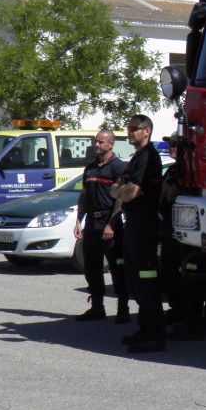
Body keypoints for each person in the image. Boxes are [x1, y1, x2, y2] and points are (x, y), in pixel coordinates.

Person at [114, 114, 165, 353]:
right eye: (128, 128)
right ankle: (144, 329)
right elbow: (116, 188)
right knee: (135, 278)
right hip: (133, 222)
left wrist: (120, 190)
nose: (129, 132)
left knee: (147, 279)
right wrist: (120, 190)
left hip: (145, 224)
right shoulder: (136, 158)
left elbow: (129, 192)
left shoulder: (148, 157)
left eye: (134, 128)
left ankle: (155, 335)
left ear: (147, 131)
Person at [73, 130, 129, 323]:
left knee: (117, 267)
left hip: (109, 222)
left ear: (111, 144)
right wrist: (79, 220)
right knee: (92, 266)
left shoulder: (118, 168)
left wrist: (111, 224)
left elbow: (120, 199)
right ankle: (97, 307)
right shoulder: (90, 168)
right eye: (95, 142)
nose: (97, 145)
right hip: (92, 223)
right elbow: (84, 195)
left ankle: (123, 309)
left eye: (100, 142)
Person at [158, 132, 184, 329]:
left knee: (188, 273)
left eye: (175, 144)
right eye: (170, 144)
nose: (171, 147)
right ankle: (176, 309)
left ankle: (203, 317)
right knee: (170, 270)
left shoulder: (188, 171)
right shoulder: (172, 170)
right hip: (168, 224)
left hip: (183, 227)